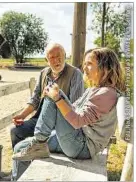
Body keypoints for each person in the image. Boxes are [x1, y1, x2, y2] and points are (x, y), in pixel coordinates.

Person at [12, 47, 125, 180]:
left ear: (106, 67)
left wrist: (56, 98)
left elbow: (77, 121)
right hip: (75, 138)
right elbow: (74, 108)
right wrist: (56, 94)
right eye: (84, 64)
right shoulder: (95, 89)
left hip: (82, 146)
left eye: (89, 64)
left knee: (53, 96)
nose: (85, 68)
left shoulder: (107, 93)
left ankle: (39, 142)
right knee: (20, 147)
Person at [10, 43, 85, 180]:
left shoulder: (75, 74)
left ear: (65, 56)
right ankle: (19, 172)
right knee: (16, 131)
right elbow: (35, 100)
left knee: (47, 135)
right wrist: (22, 115)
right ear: (47, 60)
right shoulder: (43, 73)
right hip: (41, 119)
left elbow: (75, 106)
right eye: (52, 57)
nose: (56, 60)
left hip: (62, 123)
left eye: (59, 56)